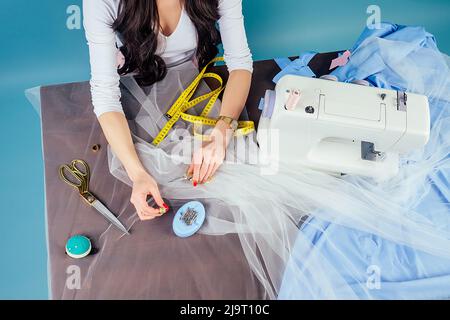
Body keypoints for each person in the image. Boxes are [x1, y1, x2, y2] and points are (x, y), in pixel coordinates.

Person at [83, 0, 253, 220]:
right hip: (133, 84)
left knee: (236, 170)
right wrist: (138, 175)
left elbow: (240, 63)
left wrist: (222, 133)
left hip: (190, 78)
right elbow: (105, 97)